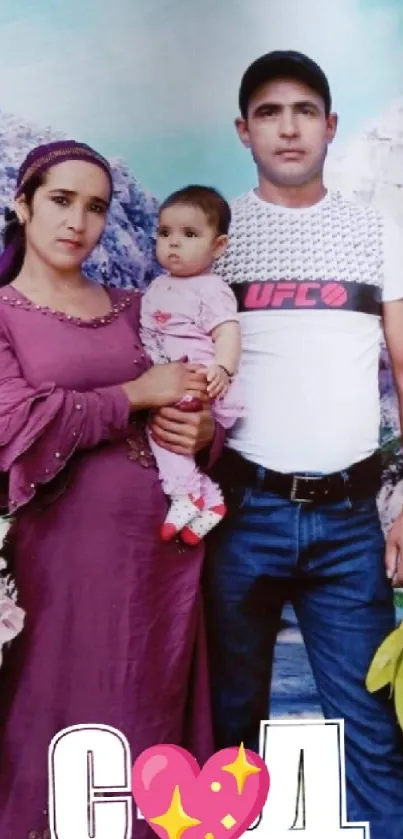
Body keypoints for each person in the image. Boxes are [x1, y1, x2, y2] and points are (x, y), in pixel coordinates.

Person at [203, 51, 403, 838]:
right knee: (227, 734)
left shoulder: (376, 231)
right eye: (268, 111)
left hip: (350, 522)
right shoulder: (215, 232)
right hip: (238, 512)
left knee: (372, 733)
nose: (287, 127)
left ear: (329, 126)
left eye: (303, 110)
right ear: (242, 130)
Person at [0, 140, 219, 839]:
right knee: (57, 731)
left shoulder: (139, 305)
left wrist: (198, 428)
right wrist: (134, 393)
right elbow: (16, 427)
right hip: (57, 567)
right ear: (23, 202)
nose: (79, 222)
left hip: (161, 564)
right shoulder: (3, 313)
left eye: (96, 207)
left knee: (148, 738)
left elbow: (189, 393)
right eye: (62, 200)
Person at [140, 185, 243, 545]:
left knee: (166, 432)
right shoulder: (158, 286)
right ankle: (212, 502)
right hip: (170, 377)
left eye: (189, 234)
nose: (173, 243)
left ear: (217, 246)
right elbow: (150, 331)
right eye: (165, 233)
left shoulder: (210, 288)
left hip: (199, 378)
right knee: (163, 430)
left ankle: (185, 494)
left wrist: (224, 369)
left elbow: (228, 331)